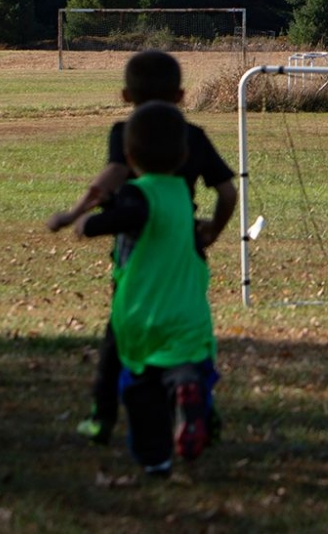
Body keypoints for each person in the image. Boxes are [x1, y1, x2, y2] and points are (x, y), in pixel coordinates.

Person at [46, 50, 236, 444]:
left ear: (124, 95)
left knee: (120, 334)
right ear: (182, 95)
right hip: (184, 249)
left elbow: (112, 177)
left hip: (136, 251)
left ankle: (102, 417)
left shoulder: (124, 133)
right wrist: (213, 230)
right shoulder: (194, 136)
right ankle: (203, 410)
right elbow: (226, 191)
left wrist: (75, 213)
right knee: (187, 334)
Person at [73, 100, 218, 476]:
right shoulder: (181, 198)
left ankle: (157, 461)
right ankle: (188, 390)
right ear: (184, 155)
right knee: (180, 367)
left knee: (141, 387)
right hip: (187, 311)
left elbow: (130, 216)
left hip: (141, 311)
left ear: (130, 159)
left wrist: (87, 224)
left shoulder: (140, 194)